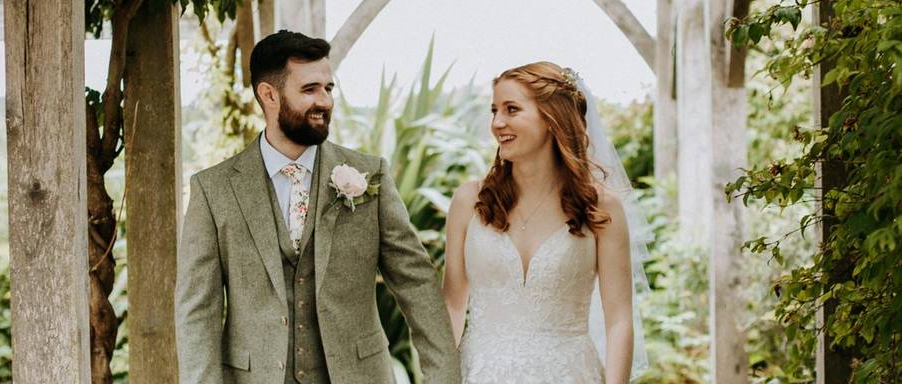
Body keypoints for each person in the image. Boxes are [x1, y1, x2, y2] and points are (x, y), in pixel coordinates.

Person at [175, 30, 460, 384]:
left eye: (328, 88)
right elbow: (196, 310)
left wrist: (443, 376)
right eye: (309, 90)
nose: (324, 101)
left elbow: (416, 283)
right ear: (269, 95)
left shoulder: (370, 177)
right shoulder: (213, 189)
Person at [442, 61, 648, 384]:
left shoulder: (601, 208)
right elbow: (452, 306)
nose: (497, 122)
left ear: (551, 119)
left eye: (511, 109)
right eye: (494, 110)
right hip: (478, 374)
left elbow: (619, 320)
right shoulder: (469, 202)